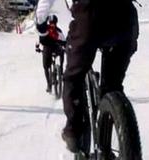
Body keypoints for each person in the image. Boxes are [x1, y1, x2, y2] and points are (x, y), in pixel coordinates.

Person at [35, 0, 139, 152]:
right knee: (113, 86)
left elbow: (44, 6)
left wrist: (41, 26)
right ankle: (115, 118)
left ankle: (74, 131)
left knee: (73, 77)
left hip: (90, 16)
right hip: (126, 18)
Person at [35, 14, 66, 93]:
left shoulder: (45, 29)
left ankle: (49, 85)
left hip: (47, 49)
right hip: (56, 48)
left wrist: (37, 47)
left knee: (46, 67)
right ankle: (61, 69)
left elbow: (38, 39)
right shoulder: (58, 30)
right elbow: (64, 40)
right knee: (62, 53)